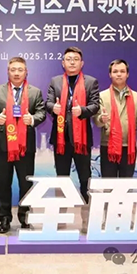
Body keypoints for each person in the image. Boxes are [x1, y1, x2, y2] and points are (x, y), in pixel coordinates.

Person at [0, 57, 46, 234]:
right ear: (8, 72)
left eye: (20, 69)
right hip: (3, 145)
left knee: (25, 183)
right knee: (3, 183)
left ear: (26, 72)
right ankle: (4, 218)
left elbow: (41, 112)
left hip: (25, 146)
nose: (16, 73)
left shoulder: (35, 92)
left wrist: (32, 119)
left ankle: (25, 217)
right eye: (13, 69)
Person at [46, 47, 100, 228]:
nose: (72, 62)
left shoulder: (91, 82)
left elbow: (95, 105)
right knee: (62, 178)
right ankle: (60, 218)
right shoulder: (55, 81)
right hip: (61, 139)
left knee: (85, 178)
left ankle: (87, 218)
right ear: (63, 63)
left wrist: (82, 111)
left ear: (81, 63)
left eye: (75, 59)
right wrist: (53, 107)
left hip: (81, 139)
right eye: (68, 59)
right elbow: (48, 102)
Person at [93, 59, 137, 178]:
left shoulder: (136, 96)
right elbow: (96, 121)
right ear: (110, 74)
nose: (118, 74)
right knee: (108, 183)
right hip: (108, 146)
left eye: (122, 71)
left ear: (127, 74)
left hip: (129, 147)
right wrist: (102, 119)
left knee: (126, 184)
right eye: (115, 71)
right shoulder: (102, 96)